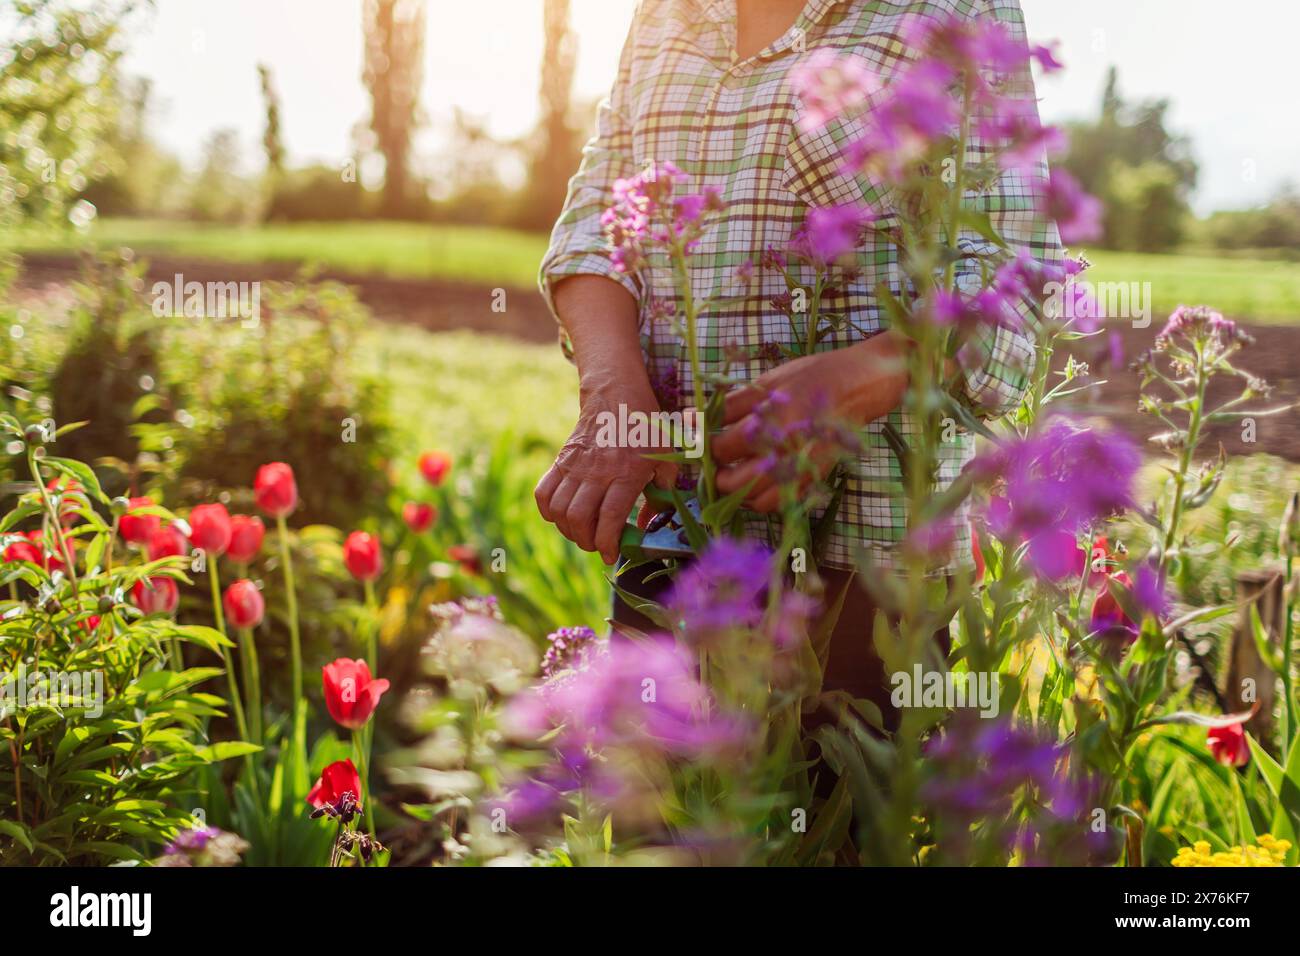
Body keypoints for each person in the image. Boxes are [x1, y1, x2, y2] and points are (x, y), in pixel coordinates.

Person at [534, 0, 1063, 724]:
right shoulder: (662, 12)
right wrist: (610, 391)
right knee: (657, 827)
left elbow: (1016, 273)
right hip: (671, 536)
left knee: (838, 825)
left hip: (866, 570)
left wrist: (870, 376)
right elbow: (597, 217)